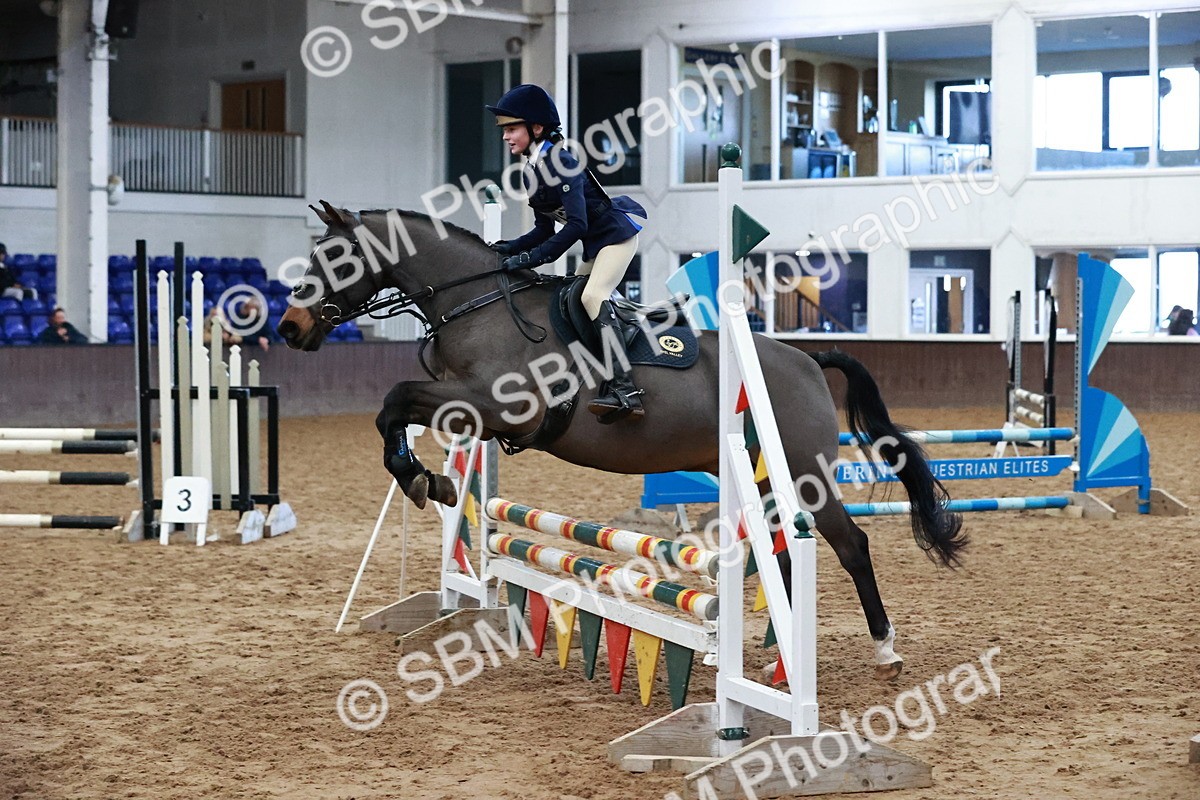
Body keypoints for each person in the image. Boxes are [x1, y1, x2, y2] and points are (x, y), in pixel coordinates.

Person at [485, 84, 649, 423]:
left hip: (616, 238)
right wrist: (511, 247)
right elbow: (544, 229)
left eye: (511, 128)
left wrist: (532, 259)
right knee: (565, 300)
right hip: (596, 244)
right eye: (504, 130)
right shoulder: (531, 171)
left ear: (536, 128)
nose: (505, 136)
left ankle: (626, 389)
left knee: (592, 297)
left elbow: (576, 225)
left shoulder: (562, 162)